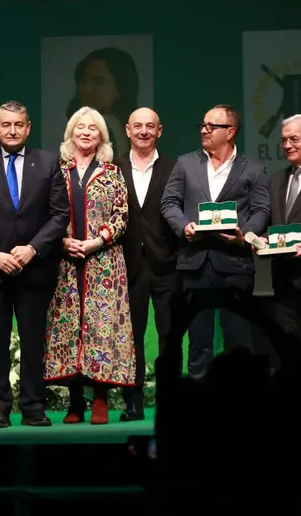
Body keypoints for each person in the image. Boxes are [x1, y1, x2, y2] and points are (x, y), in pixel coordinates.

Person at [0, 100, 69, 428]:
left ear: (28, 127)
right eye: (5, 124)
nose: (11, 130)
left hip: (35, 270)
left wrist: (33, 249)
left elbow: (60, 215)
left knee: (34, 343)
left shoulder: (49, 163)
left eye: (18, 124)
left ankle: (34, 407)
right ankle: (0, 409)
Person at [159, 104, 270, 381]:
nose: (204, 131)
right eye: (203, 125)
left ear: (230, 132)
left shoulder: (253, 170)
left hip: (235, 264)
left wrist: (245, 234)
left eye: (212, 126)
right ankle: (199, 410)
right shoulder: (185, 164)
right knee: (198, 342)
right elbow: (169, 202)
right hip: (195, 262)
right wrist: (184, 226)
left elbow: (262, 210)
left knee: (239, 340)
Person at [44, 106, 134, 426]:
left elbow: (121, 216)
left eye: (92, 129)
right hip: (66, 263)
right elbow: (47, 213)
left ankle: (100, 399)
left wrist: (97, 242)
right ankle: (75, 402)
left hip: (104, 263)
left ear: (101, 136)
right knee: (70, 330)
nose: (85, 133)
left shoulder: (112, 171)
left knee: (101, 330)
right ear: (71, 133)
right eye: (80, 127)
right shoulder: (58, 170)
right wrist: (63, 242)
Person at [114, 107, 177, 421]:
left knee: (170, 337)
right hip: (128, 265)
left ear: (159, 130)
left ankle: (170, 402)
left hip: (166, 264)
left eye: (149, 126)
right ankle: (133, 402)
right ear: (127, 130)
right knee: (131, 338)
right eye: (137, 126)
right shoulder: (112, 167)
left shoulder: (176, 167)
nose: (143, 131)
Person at [264, 114, 301, 364]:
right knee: (289, 356)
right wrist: (261, 240)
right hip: (282, 281)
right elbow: (271, 223)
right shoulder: (277, 179)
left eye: (294, 139)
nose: (287, 145)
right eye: (284, 140)